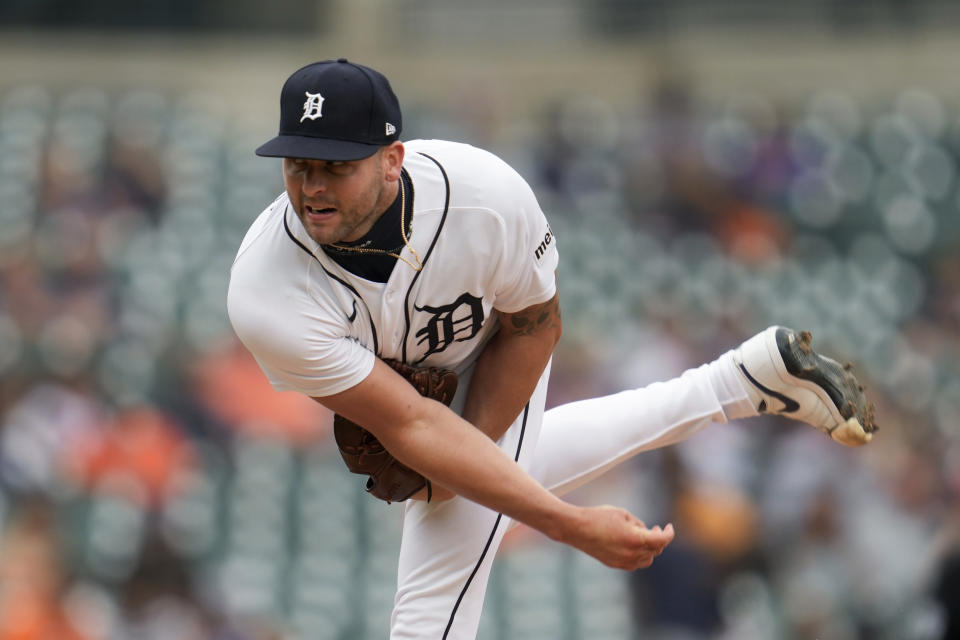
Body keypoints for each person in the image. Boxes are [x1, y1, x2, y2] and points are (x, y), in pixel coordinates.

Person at [226, 58, 876, 639]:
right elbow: (410, 421)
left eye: (335, 166)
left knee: (434, 590)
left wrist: (526, 499)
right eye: (298, 164)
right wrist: (488, 480)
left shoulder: (484, 196)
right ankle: (740, 381)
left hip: (496, 350)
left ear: (391, 159)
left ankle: (739, 383)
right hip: (412, 401)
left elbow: (536, 327)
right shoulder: (267, 290)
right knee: (453, 510)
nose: (312, 186)